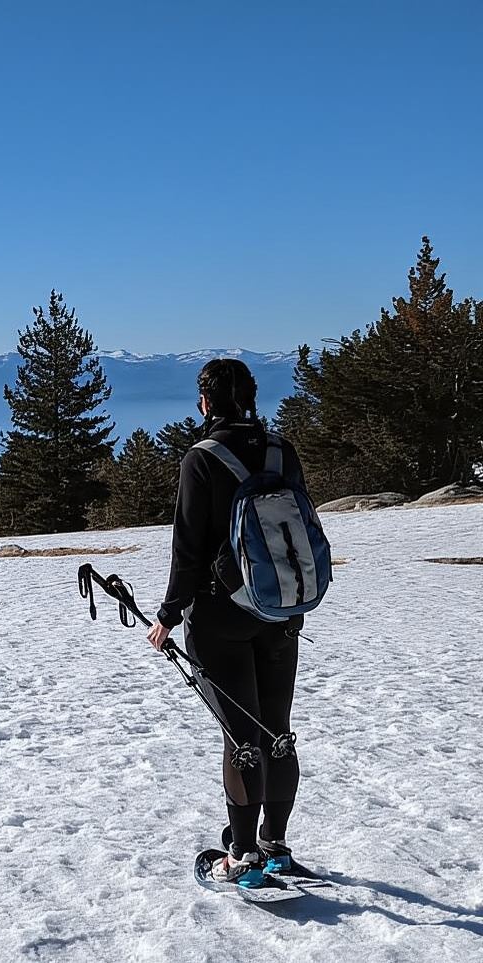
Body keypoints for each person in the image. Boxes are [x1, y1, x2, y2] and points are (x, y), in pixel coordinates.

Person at [144, 358, 308, 887]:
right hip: (282, 609)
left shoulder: (203, 458)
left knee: (242, 737)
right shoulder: (282, 451)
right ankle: (275, 845)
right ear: (252, 396)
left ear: (207, 401)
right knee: (277, 729)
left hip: (220, 614)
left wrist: (169, 614)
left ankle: (240, 857)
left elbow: (188, 547)